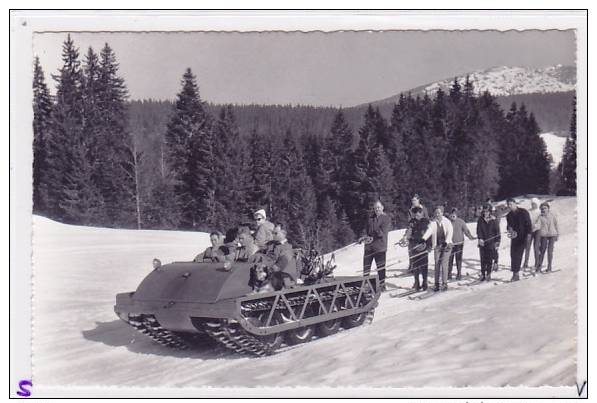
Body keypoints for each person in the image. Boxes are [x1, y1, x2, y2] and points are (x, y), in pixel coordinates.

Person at [360, 200, 391, 290]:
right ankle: (365, 283)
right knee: (366, 267)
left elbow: (382, 233)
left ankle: (382, 285)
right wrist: (364, 237)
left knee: (380, 267)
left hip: (380, 247)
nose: (377, 209)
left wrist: (373, 233)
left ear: (382, 208)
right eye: (375, 208)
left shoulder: (386, 218)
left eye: (378, 207)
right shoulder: (370, 218)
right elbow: (365, 230)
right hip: (369, 247)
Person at [422, 205, 453, 292]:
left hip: (447, 246)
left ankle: (444, 283)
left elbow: (450, 233)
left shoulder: (447, 222)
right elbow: (429, 230)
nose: (437, 214)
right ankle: (437, 284)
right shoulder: (433, 223)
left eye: (439, 212)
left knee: (444, 263)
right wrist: (423, 238)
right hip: (438, 246)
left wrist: (446, 242)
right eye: (436, 213)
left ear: (442, 213)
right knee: (437, 264)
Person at [400, 206, 431, 291]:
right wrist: (405, 237)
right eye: (416, 213)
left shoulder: (426, 222)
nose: (417, 214)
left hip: (423, 246)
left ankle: (425, 282)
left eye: (419, 212)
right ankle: (416, 282)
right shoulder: (412, 222)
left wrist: (429, 246)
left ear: (422, 213)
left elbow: (430, 234)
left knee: (424, 266)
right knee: (416, 266)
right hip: (414, 246)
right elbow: (409, 231)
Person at [505, 198, 533, 281]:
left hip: (524, 236)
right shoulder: (509, 215)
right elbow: (509, 226)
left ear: (515, 203)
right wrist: (510, 229)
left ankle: (515, 274)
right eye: (508, 205)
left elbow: (528, 224)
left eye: (511, 204)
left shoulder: (523, 212)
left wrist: (528, 235)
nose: (510, 206)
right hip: (515, 237)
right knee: (513, 254)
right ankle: (515, 273)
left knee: (518, 255)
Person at [448, 208, 476, 280]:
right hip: (450, 244)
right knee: (450, 259)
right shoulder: (448, 222)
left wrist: (470, 237)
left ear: (457, 214)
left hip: (459, 243)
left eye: (455, 214)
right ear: (450, 215)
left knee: (458, 259)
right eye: (452, 214)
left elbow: (466, 231)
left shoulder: (461, 222)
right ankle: (449, 274)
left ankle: (459, 273)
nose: (453, 215)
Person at [476, 204, 501, 281]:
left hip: (491, 243)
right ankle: (483, 274)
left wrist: (497, 242)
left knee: (489, 259)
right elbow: (478, 230)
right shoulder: (480, 220)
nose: (486, 213)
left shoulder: (493, 220)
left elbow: (497, 232)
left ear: (490, 211)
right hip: (482, 243)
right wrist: (480, 238)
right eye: (484, 211)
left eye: (487, 211)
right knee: (483, 259)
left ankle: (488, 274)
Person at [534, 202, 559, 273]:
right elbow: (537, 225)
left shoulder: (552, 216)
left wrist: (557, 234)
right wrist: (534, 227)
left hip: (552, 234)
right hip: (544, 235)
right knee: (542, 251)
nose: (543, 210)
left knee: (550, 251)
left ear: (548, 209)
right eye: (542, 209)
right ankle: (539, 267)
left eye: (545, 208)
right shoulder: (540, 217)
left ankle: (549, 267)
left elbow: (556, 225)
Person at [523, 198, 542, 269]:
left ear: (537, 204)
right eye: (532, 204)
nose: (533, 205)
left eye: (534, 203)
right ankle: (525, 263)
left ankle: (537, 263)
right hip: (529, 231)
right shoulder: (529, 211)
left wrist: (535, 227)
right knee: (527, 247)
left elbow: (539, 222)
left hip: (537, 231)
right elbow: (526, 220)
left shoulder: (540, 212)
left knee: (536, 247)